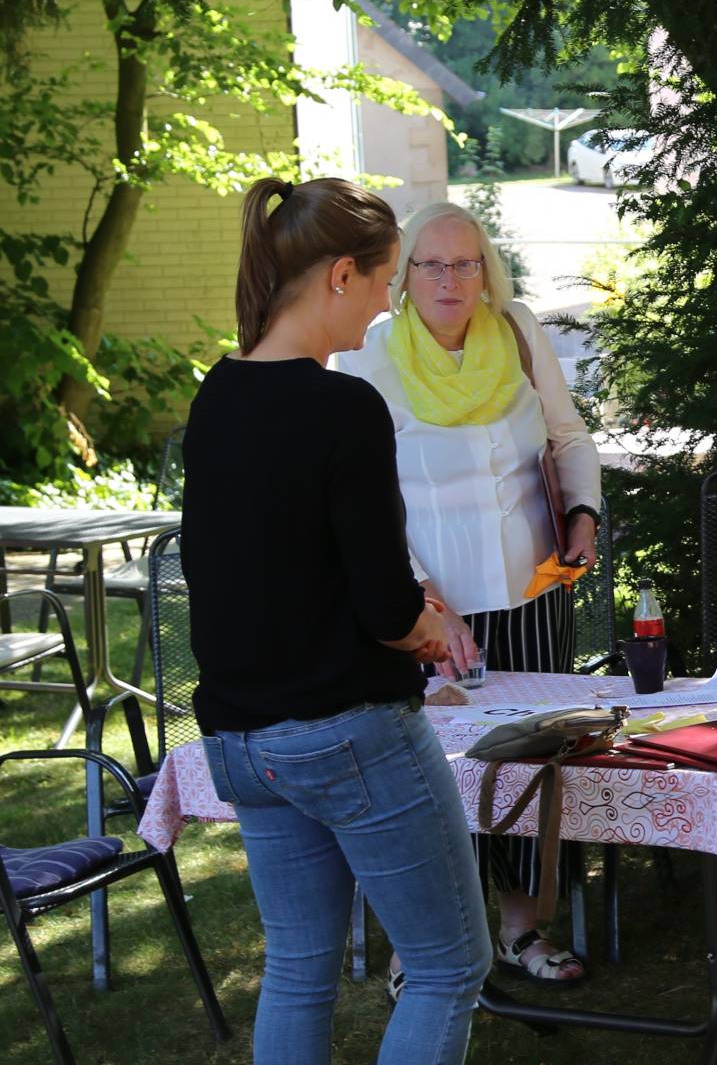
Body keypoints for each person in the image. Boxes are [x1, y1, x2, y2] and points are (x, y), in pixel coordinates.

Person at [182, 177, 491, 1064]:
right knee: (447, 967)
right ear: (341, 275)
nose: (390, 305)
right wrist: (429, 629)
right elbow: (385, 607)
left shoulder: (218, 396)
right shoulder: (342, 407)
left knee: (298, 970)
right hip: (346, 730)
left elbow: (257, 571)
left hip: (243, 738)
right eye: (390, 280)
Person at [333, 201, 603, 992]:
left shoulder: (516, 332)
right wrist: (416, 596)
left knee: (533, 765)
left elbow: (570, 436)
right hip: (424, 607)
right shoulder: (370, 358)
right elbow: (361, 493)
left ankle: (525, 929)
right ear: (403, 277)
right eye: (432, 265)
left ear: (487, 271)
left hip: (530, 591)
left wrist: (582, 512)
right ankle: (425, 947)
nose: (452, 280)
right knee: (432, 776)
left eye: (467, 263)